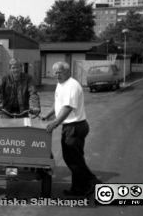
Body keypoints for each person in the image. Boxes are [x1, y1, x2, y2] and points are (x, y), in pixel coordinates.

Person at [41, 61, 101, 196]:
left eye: (59, 72)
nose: (57, 75)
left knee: (73, 159)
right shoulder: (60, 84)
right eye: (55, 72)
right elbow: (58, 103)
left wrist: (55, 123)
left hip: (75, 126)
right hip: (70, 126)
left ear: (68, 72)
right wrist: (47, 115)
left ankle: (92, 182)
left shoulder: (72, 86)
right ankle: (78, 188)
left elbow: (67, 108)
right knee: (74, 158)